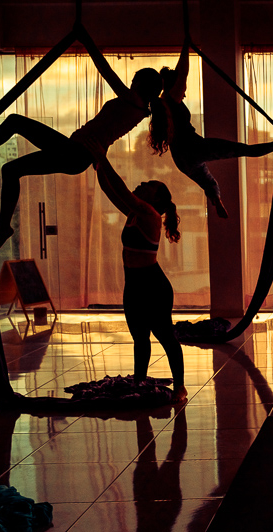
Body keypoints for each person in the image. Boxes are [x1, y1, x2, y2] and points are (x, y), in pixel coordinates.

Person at [0, 24, 168, 252]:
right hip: (76, 154)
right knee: (11, 169)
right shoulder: (139, 111)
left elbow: (105, 70)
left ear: (138, 84)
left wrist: (85, 39)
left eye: (133, 82)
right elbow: (107, 134)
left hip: (75, 154)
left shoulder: (133, 101)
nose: (129, 85)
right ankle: (3, 228)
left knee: (14, 121)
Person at [160, 35, 273, 219]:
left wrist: (186, 47)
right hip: (192, 148)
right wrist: (186, 47)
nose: (184, 93)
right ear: (175, 86)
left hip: (182, 159)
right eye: (182, 88)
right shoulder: (171, 99)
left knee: (209, 180)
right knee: (239, 149)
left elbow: (179, 74)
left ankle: (216, 199)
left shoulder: (163, 102)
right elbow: (182, 74)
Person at [94, 156, 188, 403]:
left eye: (148, 184)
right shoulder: (134, 213)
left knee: (165, 335)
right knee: (139, 338)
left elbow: (122, 191)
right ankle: (139, 384)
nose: (141, 184)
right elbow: (111, 191)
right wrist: (97, 167)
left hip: (153, 286)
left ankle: (180, 387)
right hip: (134, 285)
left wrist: (103, 159)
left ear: (155, 199)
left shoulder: (149, 214)